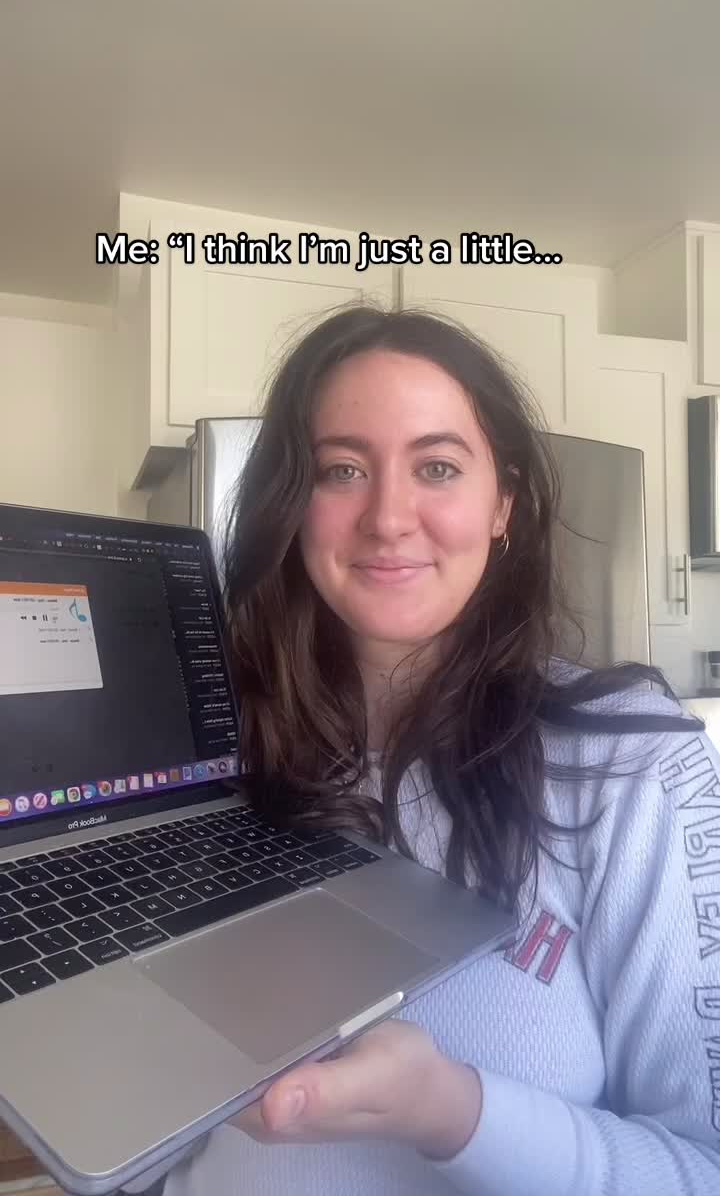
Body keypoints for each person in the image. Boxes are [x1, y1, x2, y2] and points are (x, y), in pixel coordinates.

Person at [138, 305, 720, 1195]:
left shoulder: (633, 763)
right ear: (293, 506)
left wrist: (450, 1112)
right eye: (342, 470)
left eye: (437, 467)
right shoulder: (217, 756)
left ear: (503, 504)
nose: (387, 518)